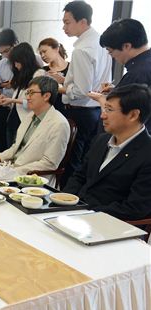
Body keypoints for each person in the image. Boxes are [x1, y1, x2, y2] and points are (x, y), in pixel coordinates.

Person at [64, 84, 151, 221]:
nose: (102, 116)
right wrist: (65, 201)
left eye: (109, 110)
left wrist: (86, 213)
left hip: (109, 226)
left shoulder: (147, 153)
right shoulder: (101, 140)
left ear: (133, 115)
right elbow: (79, 176)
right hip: (74, 214)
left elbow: (135, 208)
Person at [61, 1, 111, 185]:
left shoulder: (82, 50)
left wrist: (61, 89)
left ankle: (66, 198)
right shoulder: (100, 43)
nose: (64, 27)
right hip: (95, 110)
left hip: (80, 111)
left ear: (82, 22)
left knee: (73, 161)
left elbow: (82, 91)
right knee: (86, 159)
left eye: (67, 22)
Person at [0, 76, 70, 181]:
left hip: (33, 180)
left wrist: (17, 171)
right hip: (10, 170)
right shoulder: (30, 115)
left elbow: (49, 163)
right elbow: (16, 147)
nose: (27, 97)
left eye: (31, 93)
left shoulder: (59, 123)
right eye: (27, 93)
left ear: (46, 96)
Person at [95, 19, 151, 131]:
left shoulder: (137, 74)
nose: (112, 56)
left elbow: (121, 115)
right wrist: (119, 91)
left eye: (110, 51)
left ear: (127, 46)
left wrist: (102, 100)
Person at [0, 42, 45, 146]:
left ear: (25, 59)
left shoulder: (38, 74)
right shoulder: (22, 75)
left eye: (17, 62)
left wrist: (12, 100)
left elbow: (35, 102)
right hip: (13, 119)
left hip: (26, 120)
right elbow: (18, 98)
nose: (16, 65)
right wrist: (6, 100)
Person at [0, 29, 18, 152]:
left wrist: (13, 84)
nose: (5, 55)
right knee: (1, 145)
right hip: (5, 108)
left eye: (7, 51)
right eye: (1, 53)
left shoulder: (32, 59)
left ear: (15, 43)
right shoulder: (0, 65)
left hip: (21, 108)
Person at [38, 38, 69, 114]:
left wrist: (63, 80)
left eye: (44, 51)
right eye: (40, 53)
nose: (42, 56)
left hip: (70, 111)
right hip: (50, 112)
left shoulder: (72, 67)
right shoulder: (43, 71)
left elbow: (79, 88)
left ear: (56, 49)